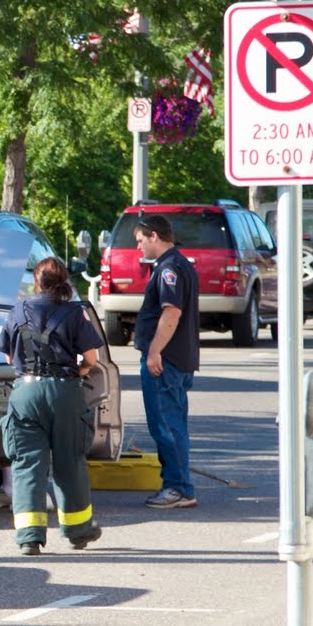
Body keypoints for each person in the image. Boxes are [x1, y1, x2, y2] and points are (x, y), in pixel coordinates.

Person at [0, 257, 105, 555]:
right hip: (64, 392)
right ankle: (78, 531)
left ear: (36, 281)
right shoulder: (75, 313)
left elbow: (8, 357)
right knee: (70, 462)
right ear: (64, 281)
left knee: (27, 464)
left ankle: (29, 537)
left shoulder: (17, 311)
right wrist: (80, 371)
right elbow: (91, 358)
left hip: (25, 393)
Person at [133, 213, 200, 509]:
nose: (138, 247)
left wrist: (154, 351)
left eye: (140, 240)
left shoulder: (169, 268)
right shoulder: (178, 264)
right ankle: (178, 485)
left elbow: (171, 312)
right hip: (177, 359)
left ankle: (178, 488)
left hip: (166, 361)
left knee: (167, 426)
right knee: (173, 424)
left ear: (154, 236)